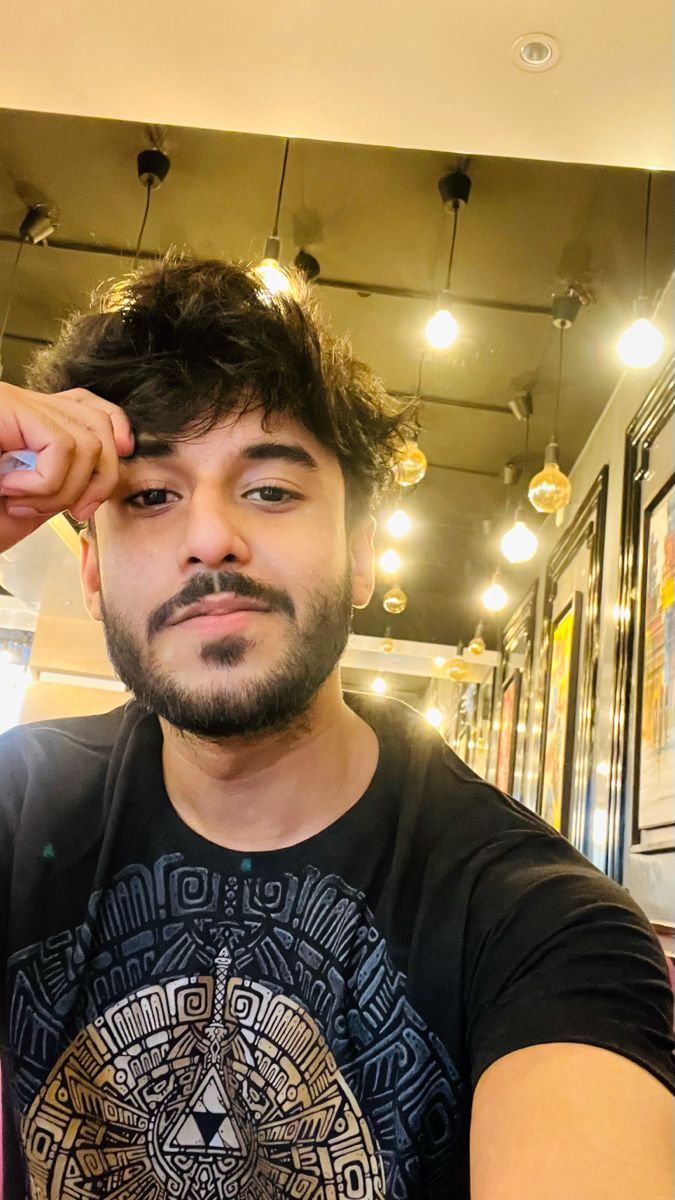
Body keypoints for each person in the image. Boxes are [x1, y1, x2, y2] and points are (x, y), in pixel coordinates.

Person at [0, 256, 673, 1200]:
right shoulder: (17, 805)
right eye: (151, 496)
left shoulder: (538, 923)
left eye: (270, 490)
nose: (210, 537)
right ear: (94, 572)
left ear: (361, 555)